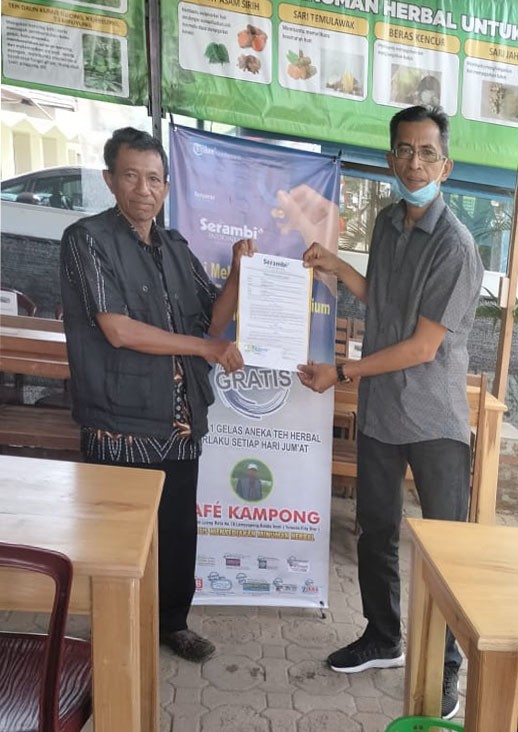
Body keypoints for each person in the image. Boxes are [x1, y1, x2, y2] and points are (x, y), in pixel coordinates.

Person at [297, 105, 483, 720]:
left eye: (427, 152)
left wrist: (343, 372)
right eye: (404, 150)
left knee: (445, 547)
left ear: (445, 166)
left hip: (433, 419)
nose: (414, 162)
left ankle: (448, 665)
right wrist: (338, 268)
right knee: (374, 530)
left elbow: (423, 346)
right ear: (389, 159)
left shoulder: (456, 246)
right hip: (381, 411)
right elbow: (385, 303)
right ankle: (383, 636)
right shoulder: (385, 223)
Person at [60, 126, 254, 662]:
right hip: (119, 419)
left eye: (153, 179)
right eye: (131, 176)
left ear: (166, 186)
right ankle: (115, 631)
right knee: (118, 535)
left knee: (177, 529)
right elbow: (117, 329)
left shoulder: (174, 247)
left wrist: (239, 275)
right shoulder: (87, 239)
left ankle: (173, 623)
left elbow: (212, 320)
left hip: (180, 418)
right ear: (110, 180)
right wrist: (207, 348)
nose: (143, 189)